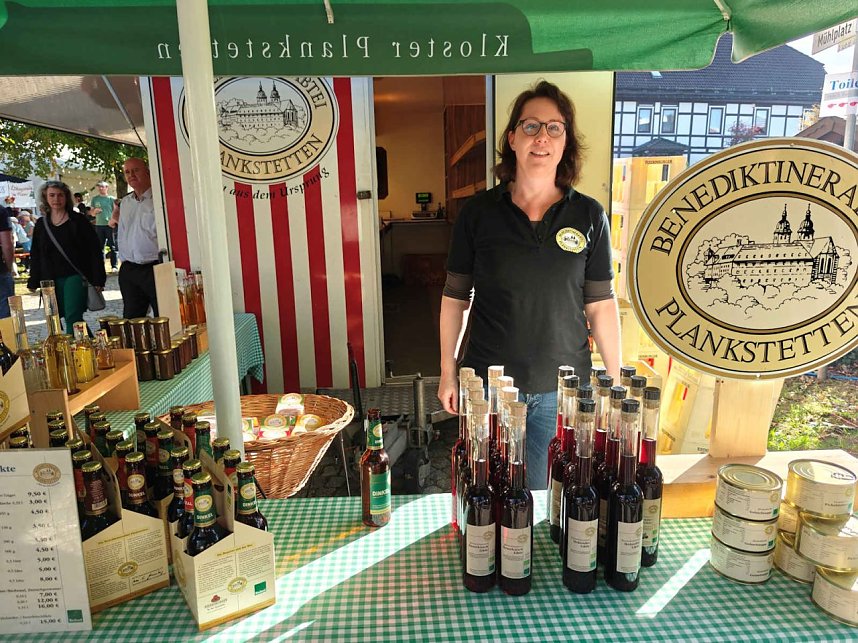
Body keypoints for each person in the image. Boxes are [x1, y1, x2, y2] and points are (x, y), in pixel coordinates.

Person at [437, 81, 621, 491]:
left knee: (547, 500)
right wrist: (448, 371)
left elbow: (601, 305)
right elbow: (455, 299)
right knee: (486, 494)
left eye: (554, 128)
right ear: (512, 139)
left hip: (562, 390)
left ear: (566, 141)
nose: (543, 137)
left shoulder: (589, 214)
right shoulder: (479, 214)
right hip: (488, 388)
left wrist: (613, 381)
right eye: (531, 126)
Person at [27, 181, 106, 328]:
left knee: (73, 317)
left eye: (60, 195)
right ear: (46, 197)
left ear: (66, 197)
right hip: (50, 279)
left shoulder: (78, 221)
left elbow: (94, 251)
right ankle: (87, 345)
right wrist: (33, 280)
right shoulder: (41, 225)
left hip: (75, 276)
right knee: (57, 319)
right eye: (52, 195)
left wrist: (98, 279)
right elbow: (36, 254)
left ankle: (74, 350)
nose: (56, 199)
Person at [114, 157, 159, 318]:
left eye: (136, 170)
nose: (131, 175)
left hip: (154, 268)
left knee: (163, 318)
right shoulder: (125, 202)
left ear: (147, 172)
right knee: (131, 321)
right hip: (129, 269)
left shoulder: (160, 199)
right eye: (127, 172)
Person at [90, 181, 118, 272]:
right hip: (99, 225)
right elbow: (92, 213)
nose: (100, 188)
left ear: (107, 188)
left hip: (110, 225)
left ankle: (114, 266)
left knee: (112, 246)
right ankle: (101, 267)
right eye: (99, 187)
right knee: (100, 247)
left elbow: (116, 211)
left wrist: (113, 221)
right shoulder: (95, 199)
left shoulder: (111, 199)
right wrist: (94, 211)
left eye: (102, 187)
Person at [0, 203, 15, 317]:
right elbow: (7, 245)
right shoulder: (1, 211)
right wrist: (9, 267)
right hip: (0, 270)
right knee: (5, 316)